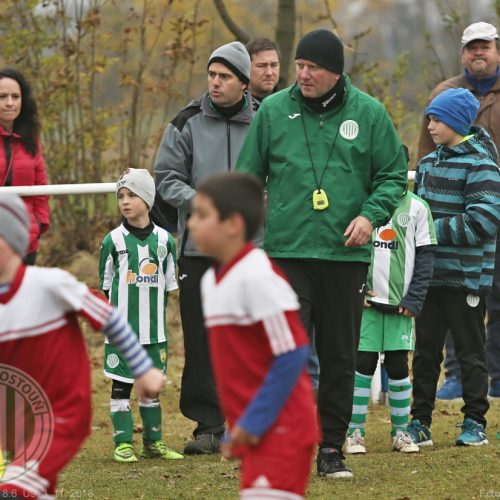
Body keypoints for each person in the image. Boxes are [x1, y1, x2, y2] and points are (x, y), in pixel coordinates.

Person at [236, 29, 408, 478]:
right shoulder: (273, 111)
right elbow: (247, 178)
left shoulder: (369, 113)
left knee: (338, 358)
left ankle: (331, 447)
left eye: (313, 68)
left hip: (344, 257)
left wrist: (371, 216)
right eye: (299, 66)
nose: (303, 74)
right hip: (286, 252)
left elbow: (392, 175)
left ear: (336, 72)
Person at [0, 193, 165, 500]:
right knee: (35, 491)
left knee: (14, 490)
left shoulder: (49, 285)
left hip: (62, 413)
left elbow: (109, 318)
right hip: (19, 424)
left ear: (11, 240)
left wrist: (142, 368)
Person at [155, 42, 259, 455]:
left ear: (244, 83)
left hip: (254, 249)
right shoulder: (186, 120)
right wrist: (204, 205)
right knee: (201, 339)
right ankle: (208, 426)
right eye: (211, 75)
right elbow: (166, 178)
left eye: (224, 76)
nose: (214, 83)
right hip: (198, 250)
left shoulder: (267, 118)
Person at [189, 172, 319, 499]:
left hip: (283, 428)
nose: (191, 223)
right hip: (256, 431)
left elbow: (292, 352)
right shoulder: (212, 280)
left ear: (232, 224)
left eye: (202, 214)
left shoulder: (257, 275)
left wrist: (254, 422)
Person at [409, 88, 500, 447]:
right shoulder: (427, 165)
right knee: (426, 354)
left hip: (466, 280)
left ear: (457, 122)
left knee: (470, 352)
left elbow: (483, 223)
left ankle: (475, 422)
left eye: (437, 118)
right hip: (430, 279)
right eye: (429, 117)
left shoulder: (482, 165)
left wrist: (428, 231)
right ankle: (419, 422)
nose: (429, 125)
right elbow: (416, 215)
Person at [417, 22, 500, 401]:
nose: (477, 52)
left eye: (484, 46)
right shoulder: (444, 93)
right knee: (454, 304)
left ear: (496, 49)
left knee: (492, 299)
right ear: (462, 52)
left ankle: (495, 377)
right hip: (456, 228)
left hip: (484, 212)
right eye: (471, 47)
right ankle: (453, 377)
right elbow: (425, 157)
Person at [346, 173, 437, 455]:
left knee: (398, 366)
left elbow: (426, 256)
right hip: (367, 302)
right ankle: (354, 432)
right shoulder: (359, 200)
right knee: (362, 364)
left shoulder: (418, 207)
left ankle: (400, 432)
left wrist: (416, 297)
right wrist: (354, 290)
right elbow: (345, 246)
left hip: (401, 304)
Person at [99, 168, 183, 463]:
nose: (125, 201)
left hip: (154, 334)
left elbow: (169, 285)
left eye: (132, 194)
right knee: (121, 387)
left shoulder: (165, 241)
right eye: (121, 196)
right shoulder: (112, 241)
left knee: (151, 389)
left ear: (148, 199)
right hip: (122, 333)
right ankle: (122, 444)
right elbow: (106, 286)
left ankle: (153, 442)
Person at [0, 69, 49, 265]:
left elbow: (41, 189)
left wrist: (38, 224)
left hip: (25, 241)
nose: (9, 102)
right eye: (2, 96)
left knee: (22, 296)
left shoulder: (32, 140)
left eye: (15, 96)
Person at [246, 38, 280, 102]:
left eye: (274, 65)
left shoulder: (290, 106)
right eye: (261, 66)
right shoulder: (231, 105)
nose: (269, 73)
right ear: (247, 68)